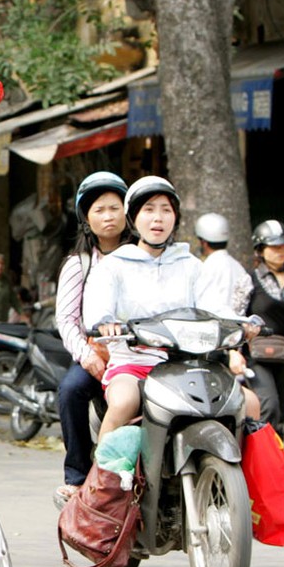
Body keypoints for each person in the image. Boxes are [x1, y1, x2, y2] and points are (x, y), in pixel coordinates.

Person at [82, 176, 255, 445]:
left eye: (166, 209)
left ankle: (254, 484)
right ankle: (104, 482)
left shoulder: (191, 265)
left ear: (176, 216)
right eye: (149, 210)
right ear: (134, 218)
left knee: (250, 403)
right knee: (124, 401)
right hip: (135, 364)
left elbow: (215, 307)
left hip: (189, 366)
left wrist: (243, 324)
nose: (158, 218)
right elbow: (98, 308)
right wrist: (105, 323)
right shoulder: (114, 265)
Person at [53, 171, 129, 508]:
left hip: (142, 353)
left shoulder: (145, 259)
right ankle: (77, 475)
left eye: (115, 207)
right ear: (86, 218)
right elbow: (67, 319)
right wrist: (86, 356)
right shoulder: (78, 264)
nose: (108, 216)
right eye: (99, 210)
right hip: (96, 351)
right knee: (70, 390)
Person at [244, 220, 284, 433]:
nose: (280, 251)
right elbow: (236, 316)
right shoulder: (250, 279)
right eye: (274, 247)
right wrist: (233, 353)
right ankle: (255, 461)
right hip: (255, 356)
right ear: (261, 250)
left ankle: (275, 464)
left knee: (282, 418)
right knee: (268, 406)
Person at [195, 212, 252, 315]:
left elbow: (201, 306)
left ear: (203, 242)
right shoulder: (239, 268)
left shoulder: (206, 268)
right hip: (238, 328)